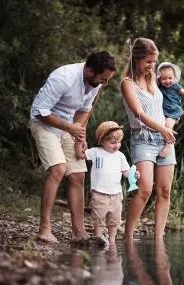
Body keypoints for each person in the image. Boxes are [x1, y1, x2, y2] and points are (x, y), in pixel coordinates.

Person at [29, 51, 117, 243]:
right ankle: (44, 230)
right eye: (103, 78)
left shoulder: (95, 83)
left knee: (78, 174)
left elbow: (83, 110)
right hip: (44, 123)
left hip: (68, 125)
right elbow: (40, 111)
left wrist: (79, 136)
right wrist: (70, 127)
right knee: (59, 169)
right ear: (89, 70)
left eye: (108, 79)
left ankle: (79, 233)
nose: (105, 83)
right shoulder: (63, 78)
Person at [121, 37, 176, 240]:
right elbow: (138, 114)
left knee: (164, 190)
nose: (152, 66)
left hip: (165, 139)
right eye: (148, 62)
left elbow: (173, 101)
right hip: (142, 139)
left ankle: (158, 239)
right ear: (137, 59)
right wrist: (162, 129)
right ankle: (128, 237)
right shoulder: (127, 83)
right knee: (144, 190)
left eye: (154, 62)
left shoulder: (155, 78)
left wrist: (169, 126)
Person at [85, 121, 140, 245]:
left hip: (116, 193)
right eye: (113, 143)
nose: (117, 145)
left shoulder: (120, 156)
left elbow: (125, 171)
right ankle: (98, 237)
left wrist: (133, 174)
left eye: (119, 142)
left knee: (114, 219)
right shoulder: (95, 152)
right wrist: (80, 142)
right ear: (102, 141)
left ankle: (111, 240)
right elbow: (81, 154)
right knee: (99, 217)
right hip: (99, 192)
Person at [157, 62, 184, 157]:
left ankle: (168, 145)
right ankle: (161, 143)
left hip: (173, 110)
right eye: (164, 79)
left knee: (167, 127)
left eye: (170, 78)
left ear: (174, 78)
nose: (167, 81)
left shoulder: (176, 86)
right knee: (161, 125)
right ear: (159, 79)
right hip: (163, 111)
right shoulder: (159, 87)